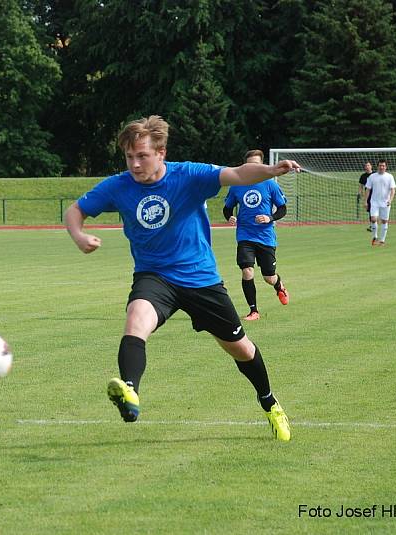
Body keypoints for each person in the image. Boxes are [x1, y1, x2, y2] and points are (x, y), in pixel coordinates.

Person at [65, 115, 300, 441]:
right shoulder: (119, 186)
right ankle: (129, 391)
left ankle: (270, 403)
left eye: (142, 156)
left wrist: (272, 171)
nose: (134, 164)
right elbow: (75, 210)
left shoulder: (188, 175)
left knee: (241, 349)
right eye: (129, 157)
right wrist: (78, 235)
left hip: (200, 278)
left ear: (160, 153)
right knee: (136, 318)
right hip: (154, 276)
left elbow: (237, 173)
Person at [223, 149, 289, 321]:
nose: (253, 168)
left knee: (269, 277)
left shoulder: (270, 184)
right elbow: (227, 208)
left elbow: (282, 208)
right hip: (245, 235)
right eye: (250, 165)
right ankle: (254, 311)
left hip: (266, 237)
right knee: (247, 271)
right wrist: (229, 217)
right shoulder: (236, 185)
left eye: (257, 165)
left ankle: (279, 286)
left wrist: (270, 217)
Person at [365, 159, 396, 246]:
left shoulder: (390, 176)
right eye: (380, 165)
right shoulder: (372, 177)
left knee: (384, 221)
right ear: (377, 166)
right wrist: (365, 202)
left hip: (385, 202)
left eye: (383, 166)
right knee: (373, 219)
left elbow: (393, 190)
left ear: (386, 167)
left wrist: (390, 200)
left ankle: (382, 240)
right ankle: (375, 237)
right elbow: (368, 189)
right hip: (374, 202)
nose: (381, 167)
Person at [358, 161, 373, 231]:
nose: (367, 167)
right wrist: (360, 193)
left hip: (376, 194)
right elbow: (361, 186)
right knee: (370, 210)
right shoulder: (363, 176)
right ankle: (372, 225)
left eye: (368, 165)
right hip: (368, 195)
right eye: (366, 166)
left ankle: (377, 224)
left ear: (371, 166)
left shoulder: (375, 174)